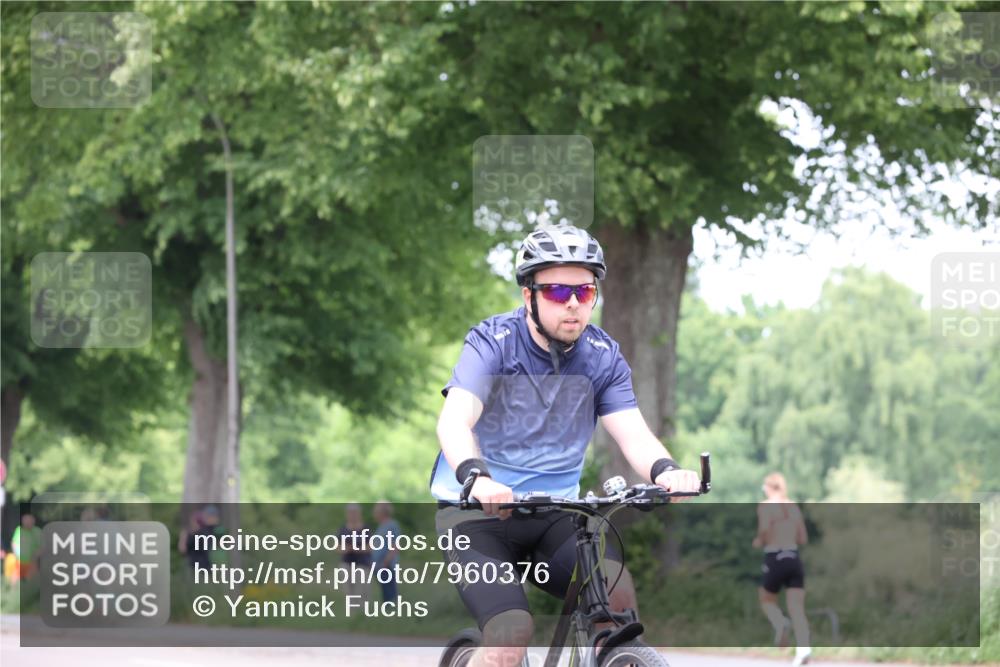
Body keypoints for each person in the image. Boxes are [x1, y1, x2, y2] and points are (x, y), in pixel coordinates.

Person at [431, 225, 702, 667]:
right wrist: (476, 477)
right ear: (529, 296)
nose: (574, 303)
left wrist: (665, 471)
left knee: (616, 595)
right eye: (558, 291)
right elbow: (455, 420)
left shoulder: (602, 356)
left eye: (585, 291)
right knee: (510, 635)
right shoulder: (492, 343)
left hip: (557, 515)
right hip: (477, 516)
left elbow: (632, 432)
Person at [752, 472, 811, 667]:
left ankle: (780, 623)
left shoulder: (766, 506)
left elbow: (764, 529)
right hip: (794, 557)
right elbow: (803, 538)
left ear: (769, 488)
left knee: (766, 598)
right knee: (797, 607)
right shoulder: (793, 507)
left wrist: (759, 540)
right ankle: (804, 649)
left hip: (775, 557)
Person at [339, 503, 372, 600]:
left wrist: (358, 549)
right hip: (347, 563)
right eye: (350, 513)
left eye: (354, 513)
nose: (352, 515)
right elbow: (337, 546)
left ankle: (361, 612)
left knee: (361, 589)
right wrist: (345, 549)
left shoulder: (366, 529)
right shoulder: (343, 529)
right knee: (348, 590)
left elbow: (371, 546)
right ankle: (352, 612)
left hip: (362, 563)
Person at [372, 500, 401, 602]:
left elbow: (395, 545)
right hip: (379, 565)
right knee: (385, 591)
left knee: (390, 592)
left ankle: (393, 612)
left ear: (382, 513)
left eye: (376, 512)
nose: (374, 514)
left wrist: (386, 562)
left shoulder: (392, 525)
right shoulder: (381, 527)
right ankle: (388, 612)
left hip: (387, 565)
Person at [12, 513, 43, 580]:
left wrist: (36, 556)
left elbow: (42, 546)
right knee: (16, 577)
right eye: (25, 521)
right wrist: (17, 554)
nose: (27, 523)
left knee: (32, 580)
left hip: (32, 562)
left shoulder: (37, 531)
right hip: (19, 561)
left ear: (33, 521)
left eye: (29, 521)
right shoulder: (19, 530)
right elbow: (14, 543)